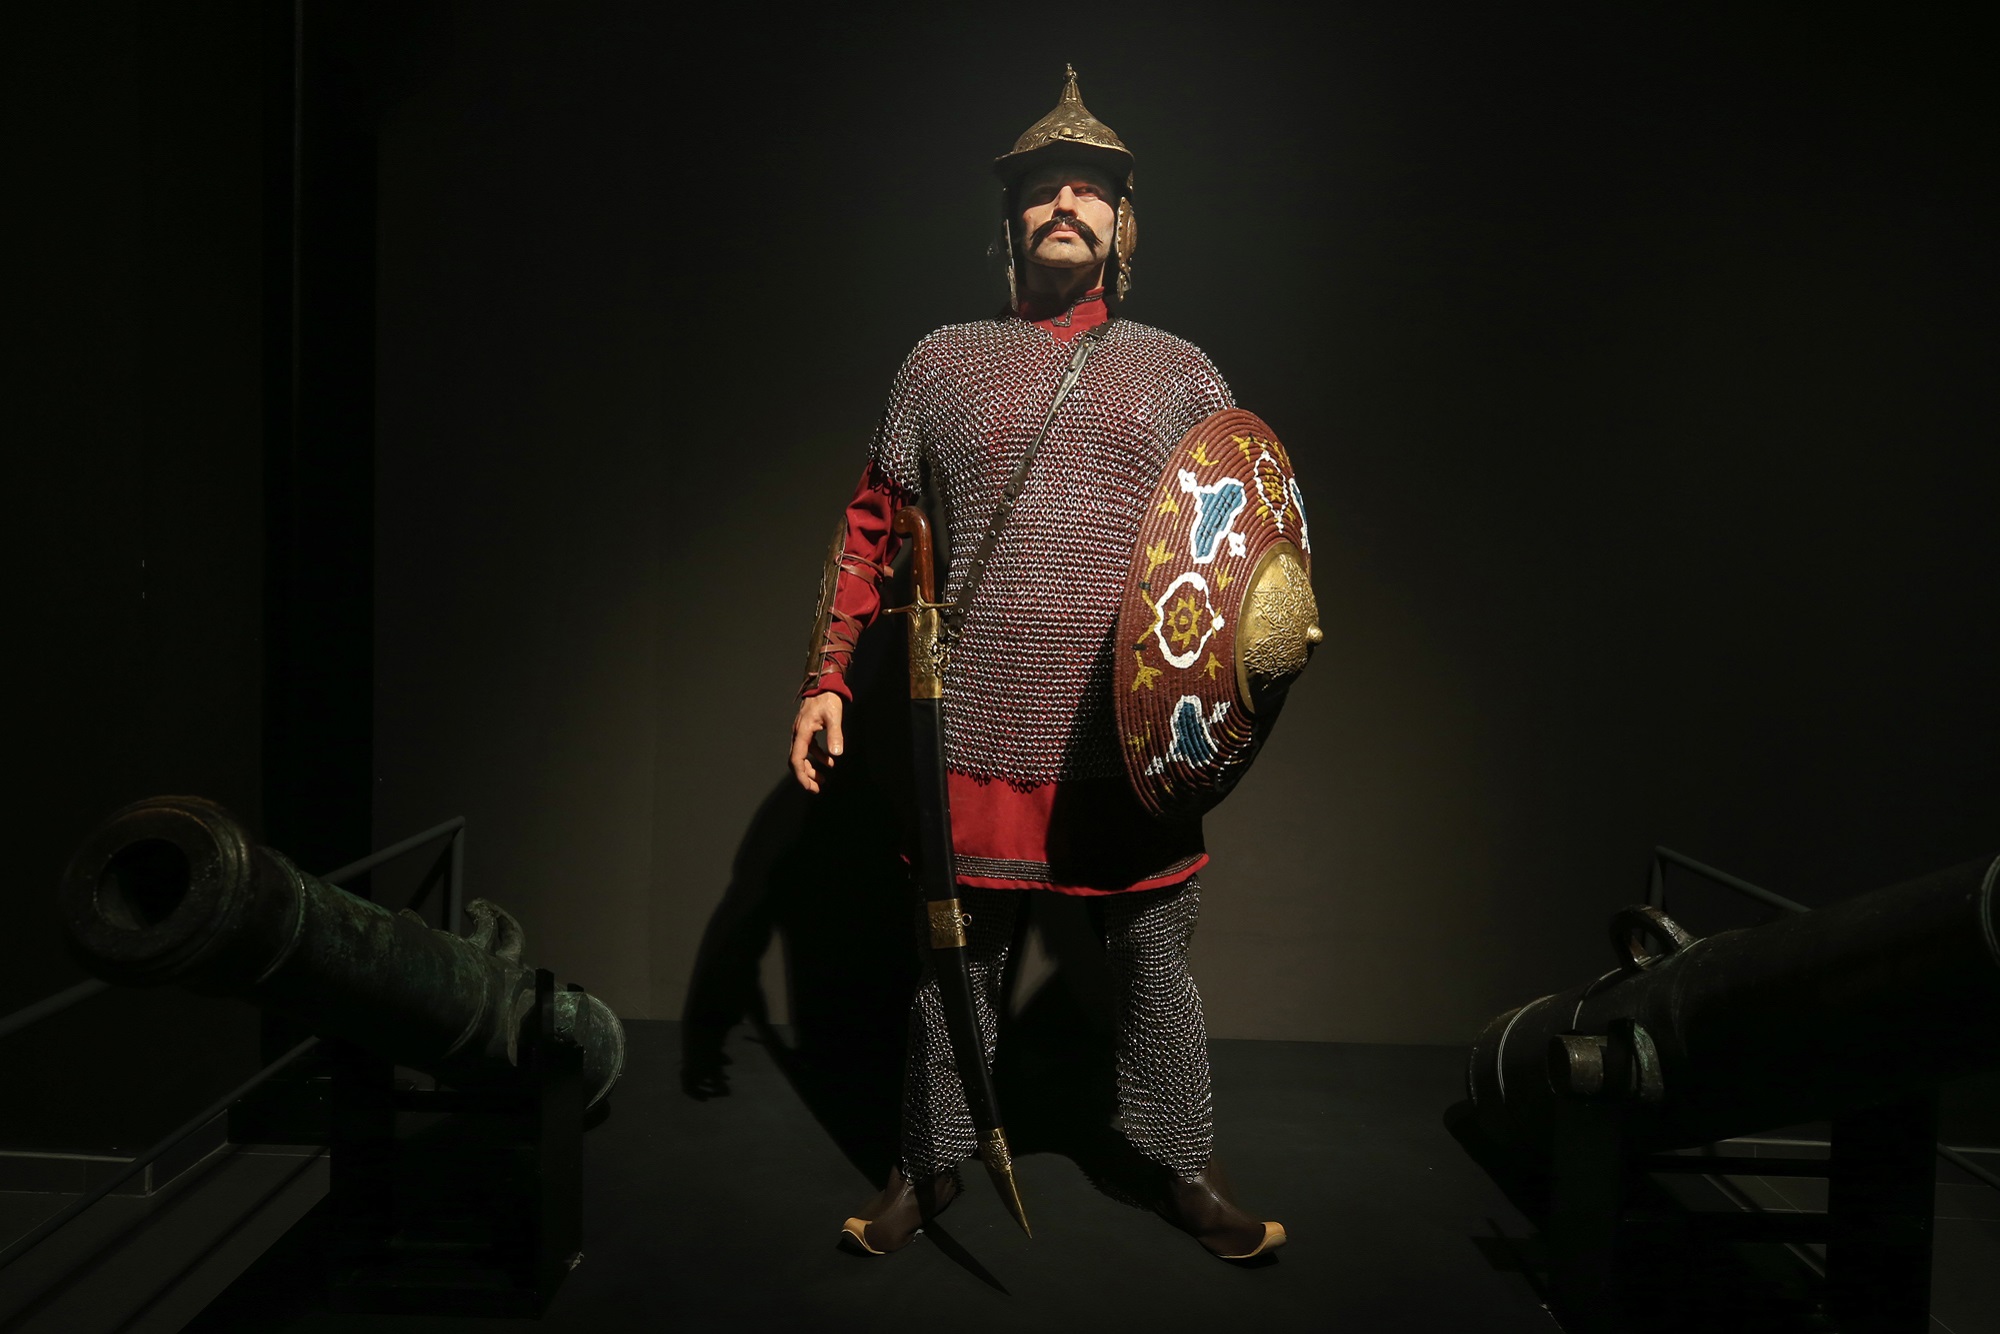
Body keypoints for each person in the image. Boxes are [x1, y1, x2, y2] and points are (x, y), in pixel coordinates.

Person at [789, 66, 1284, 1261]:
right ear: (1008, 219)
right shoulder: (940, 364)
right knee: (955, 952)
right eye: (1041, 188)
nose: (1065, 202)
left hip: (1129, 721)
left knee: (1152, 953)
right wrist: (825, 676)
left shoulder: (1179, 373)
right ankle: (928, 1159)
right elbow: (871, 526)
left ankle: (1178, 1158)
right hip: (983, 708)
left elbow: (1229, 554)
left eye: (1090, 188)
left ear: (1123, 221)